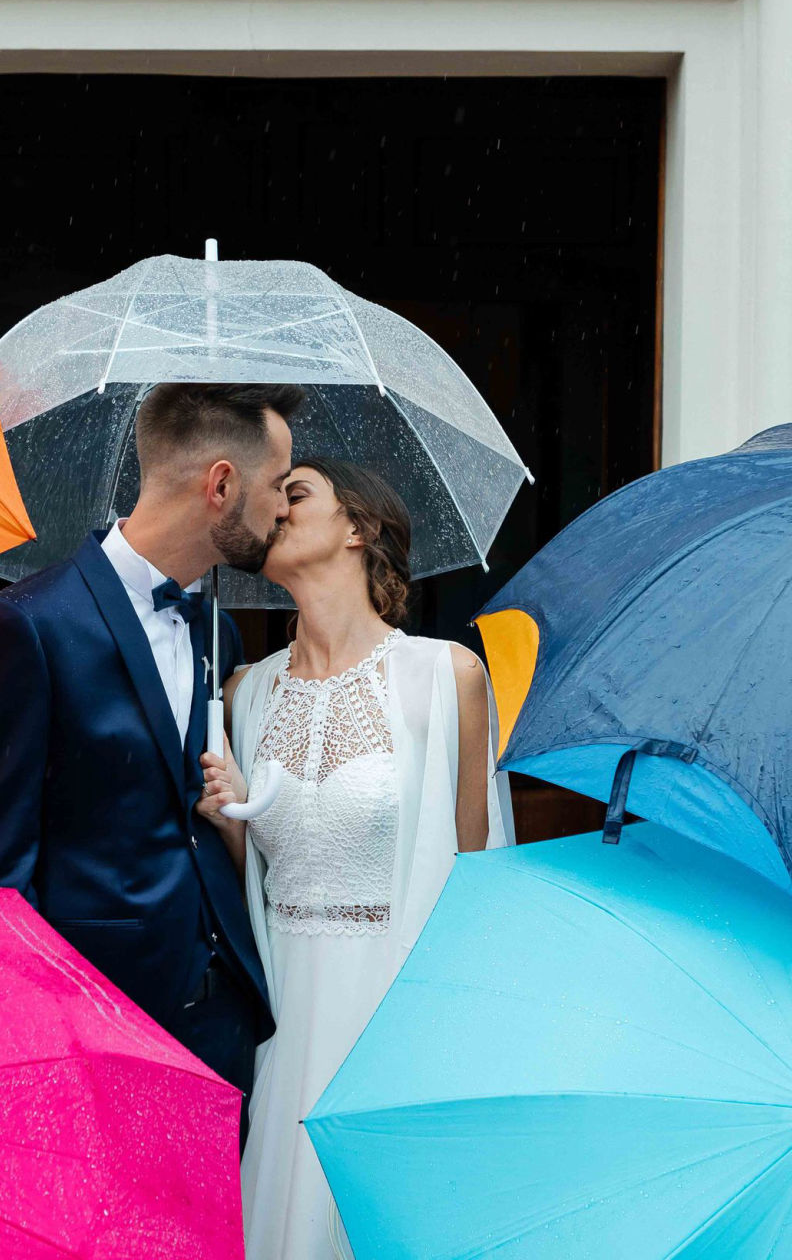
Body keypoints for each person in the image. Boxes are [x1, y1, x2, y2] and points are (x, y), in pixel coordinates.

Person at [0, 381, 303, 1122]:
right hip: (96, 1030)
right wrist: (54, 1032)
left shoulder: (218, 634)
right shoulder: (25, 627)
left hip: (223, 1027)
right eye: (274, 486)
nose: (283, 510)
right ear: (221, 485)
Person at [198, 458, 514, 1260]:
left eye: (295, 495)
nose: (273, 510)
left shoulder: (446, 679)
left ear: (358, 527)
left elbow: (477, 885)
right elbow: (252, 887)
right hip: (284, 1022)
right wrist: (230, 815)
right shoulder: (244, 693)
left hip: (395, 1016)